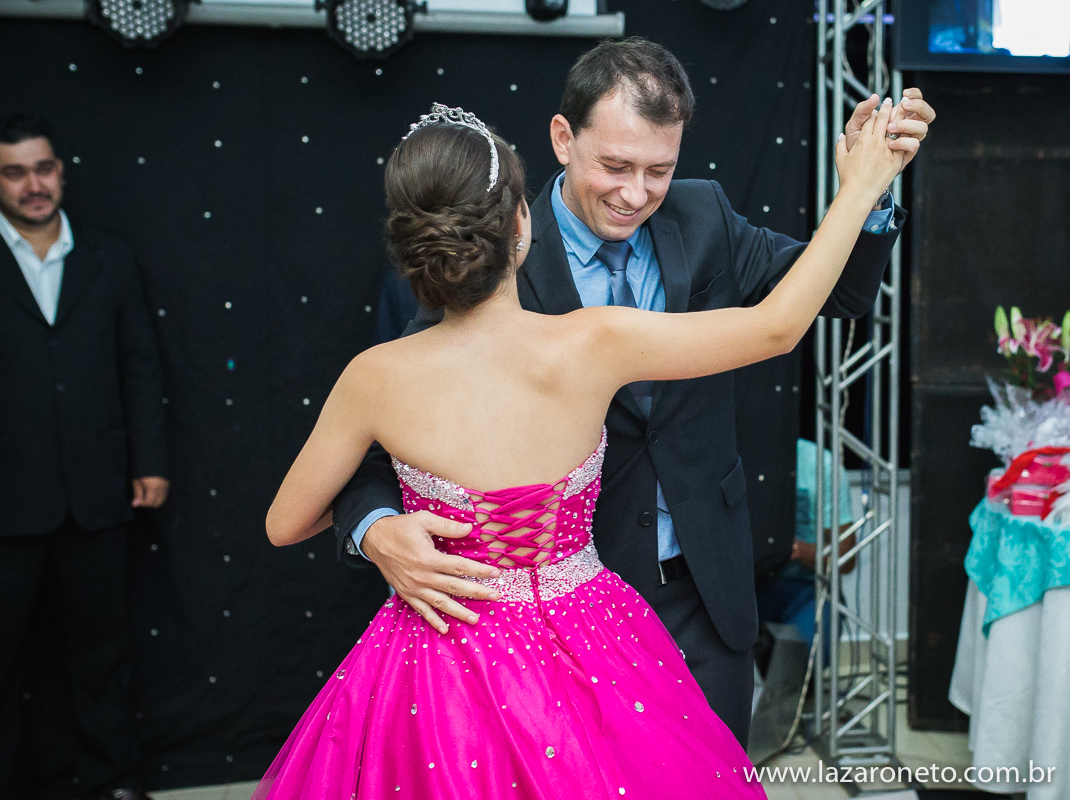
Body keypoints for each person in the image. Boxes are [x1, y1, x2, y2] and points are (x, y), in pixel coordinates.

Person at [256, 93, 904, 798]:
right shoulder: (596, 341)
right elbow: (778, 326)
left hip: (437, 657)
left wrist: (379, 528)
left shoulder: (374, 376)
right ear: (520, 222)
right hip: (588, 637)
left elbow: (285, 523)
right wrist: (861, 185)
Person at [0, 113, 167, 800]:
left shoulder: (111, 258)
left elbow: (139, 364)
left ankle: (114, 783)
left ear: (61, 172)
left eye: (43, 168)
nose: (33, 184)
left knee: (104, 657)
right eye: (15, 172)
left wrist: (150, 460)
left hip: (98, 493)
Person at [757, 439, 858, 650]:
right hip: (745, 587)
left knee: (798, 652)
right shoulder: (727, 456)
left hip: (806, 588)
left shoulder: (821, 463)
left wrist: (801, 551)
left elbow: (847, 559)